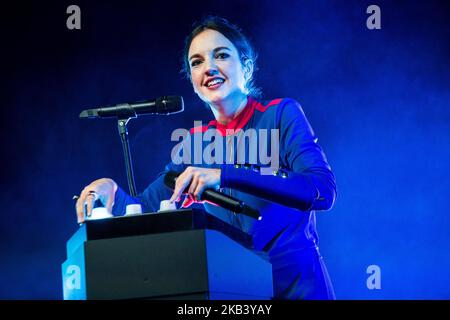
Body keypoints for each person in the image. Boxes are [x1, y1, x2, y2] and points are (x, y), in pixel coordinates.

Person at [75, 16, 337, 300]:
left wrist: (225, 174)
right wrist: (110, 190)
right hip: (237, 294)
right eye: (196, 62)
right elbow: (145, 208)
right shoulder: (194, 146)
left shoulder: (281, 114)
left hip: (299, 288)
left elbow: (321, 190)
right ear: (193, 82)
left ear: (246, 66)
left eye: (221, 55)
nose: (209, 68)